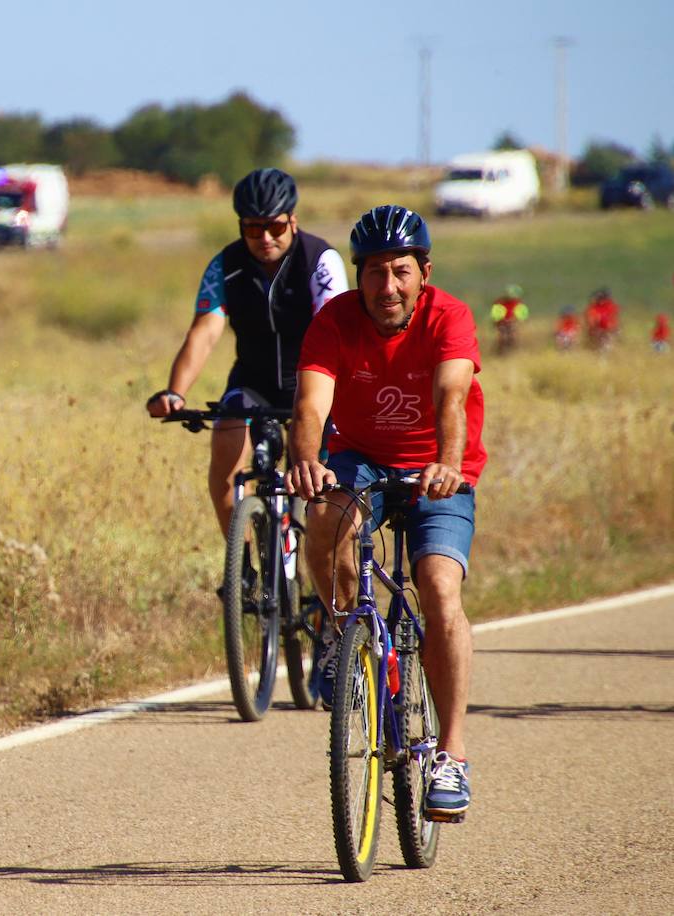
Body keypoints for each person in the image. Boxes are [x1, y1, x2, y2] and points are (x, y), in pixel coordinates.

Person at [286, 204, 486, 822]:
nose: (387, 286)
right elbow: (312, 407)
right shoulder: (335, 319)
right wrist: (307, 459)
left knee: (437, 589)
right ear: (359, 276)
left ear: (423, 271)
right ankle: (348, 637)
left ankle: (450, 755)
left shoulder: (449, 317)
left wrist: (447, 461)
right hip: (361, 459)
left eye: (400, 271)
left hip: (436, 466)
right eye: (374, 272)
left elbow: (452, 396)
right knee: (324, 520)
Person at [146, 167, 348, 539]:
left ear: (293, 220)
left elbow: (334, 332)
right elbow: (205, 330)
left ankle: (323, 579)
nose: (265, 238)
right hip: (253, 382)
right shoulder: (226, 264)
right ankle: (243, 571)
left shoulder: (319, 260)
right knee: (225, 441)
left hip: (315, 388)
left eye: (275, 227)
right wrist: (175, 392)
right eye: (253, 229)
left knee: (322, 494)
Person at [489, 284, 528, 353]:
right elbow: (496, 314)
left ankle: (513, 350)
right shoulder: (500, 302)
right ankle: (500, 351)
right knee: (503, 337)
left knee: (513, 337)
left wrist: (517, 320)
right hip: (502, 322)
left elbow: (522, 314)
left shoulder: (518, 303)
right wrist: (498, 320)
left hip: (512, 322)